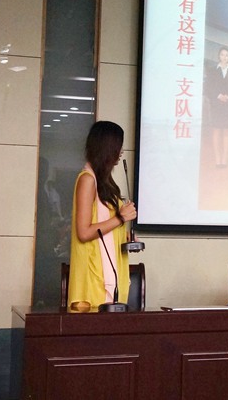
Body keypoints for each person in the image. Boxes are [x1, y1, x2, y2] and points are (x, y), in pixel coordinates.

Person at [67, 121, 137, 312]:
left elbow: (104, 226)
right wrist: (120, 219)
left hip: (109, 270)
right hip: (94, 274)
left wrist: (123, 236)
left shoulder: (104, 182)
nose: (121, 152)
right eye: (118, 146)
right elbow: (84, 232)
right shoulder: (87, 180)